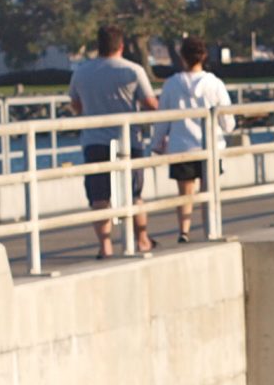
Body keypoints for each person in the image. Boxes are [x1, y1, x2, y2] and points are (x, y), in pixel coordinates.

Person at [68, 24, 159, 258]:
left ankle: (105, 246)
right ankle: (142, 240)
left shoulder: (82, 71)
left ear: (98, 45)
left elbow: (76, 105)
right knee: (134, 194)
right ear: (121, 45)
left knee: (99, 198)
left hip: (94, 140)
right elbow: (150, 103)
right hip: (128, 141)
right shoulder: (132, 70)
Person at [155, 36, 233, 242]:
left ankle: (184, 231)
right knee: (209, 190)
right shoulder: (215, 83)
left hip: (182, 145)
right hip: (210, 146)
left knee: (185, 192)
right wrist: (227, 128)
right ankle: (211, 229)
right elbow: (228, 120)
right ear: (204, 56)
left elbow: (162, 117)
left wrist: (157, 142)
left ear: (182, 57)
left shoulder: (172, 84)